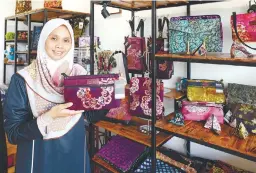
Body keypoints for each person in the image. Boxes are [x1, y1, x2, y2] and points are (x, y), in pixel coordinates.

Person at [3, 18, 91, 173]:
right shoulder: (23, 79)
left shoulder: (80, 75)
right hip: (39, 159)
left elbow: (89, 116)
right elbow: (13, 133)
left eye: (66, 40)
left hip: (75, 155)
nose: (59, 45)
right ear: (44, 39)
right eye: (54, 38)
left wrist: (111, 93)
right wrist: (48, 117)